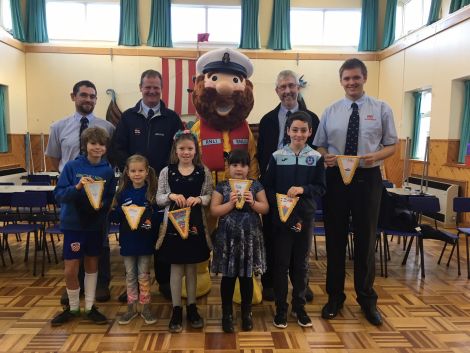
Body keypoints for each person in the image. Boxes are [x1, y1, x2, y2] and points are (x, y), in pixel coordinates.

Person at [313, 58, 398, 326]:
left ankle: (366, 299)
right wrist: (325, 156)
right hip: (336, 179)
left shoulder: (382, 108)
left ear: (364, 78)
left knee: (365, 239)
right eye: (347, 79)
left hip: (368, 177)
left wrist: (377, 156)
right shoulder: (330, 110)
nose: (351, 83)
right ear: (341, 81)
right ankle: (335, 297)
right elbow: (321, 145)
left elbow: (391, 145)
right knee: (335, 239)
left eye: (356, 78)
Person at [111, 69, 183, 301]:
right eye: (147, 87)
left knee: (161, 233)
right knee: (134, 232)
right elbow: (117, 148)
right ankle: (133, 288)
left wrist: (167, 175)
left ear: (161, 89)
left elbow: (178, 151)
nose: (152, 91)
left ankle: (163, 282)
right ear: (140, 87)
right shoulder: (128, 117)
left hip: (162, 188)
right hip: (134, 187)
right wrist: (134, 170)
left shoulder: (172, 118)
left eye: (156, 87)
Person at [45, 80, 115, 304]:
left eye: (92, 96)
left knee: (99, 247)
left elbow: (110, 166)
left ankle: (98, 288)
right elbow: (55, 159)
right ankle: (74, 293)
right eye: (84, 95)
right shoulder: (58, 127)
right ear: (73, 96)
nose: (88, 100)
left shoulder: (108, 127)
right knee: (74, 254)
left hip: (97, 207)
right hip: (73, 205)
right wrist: (74, 182)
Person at [257, 70, 320, 302]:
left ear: (298, 88)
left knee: (300, 241)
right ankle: (272, 281)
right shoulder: (267, 120)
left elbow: (316, 154)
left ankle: (300, 283)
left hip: (303, 191)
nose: (287, 91)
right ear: (276, 91)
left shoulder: (312, 118)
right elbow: (262, 155)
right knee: (274, 237)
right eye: (282, 87)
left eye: (291, 86)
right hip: (276, 189)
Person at [263, 111, 326, 329]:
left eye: (303, 130)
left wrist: (303, 189)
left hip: (305, 218)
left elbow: (321, 187)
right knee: (280, 265)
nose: (298, 134)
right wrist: (279, 200)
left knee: (301, 265)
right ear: (288, 131)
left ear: (310, 132)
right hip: (282, 218)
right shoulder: (277, 156)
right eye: (294, 130)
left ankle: (299, 308)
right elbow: (267, 187)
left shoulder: (316, 158)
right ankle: (281, 310)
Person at [51, 127, 116, 326]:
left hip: (95, 226)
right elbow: (59, 195)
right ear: (85, 144)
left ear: (106, 147)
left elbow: (109, 198)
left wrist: (101, 206)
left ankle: (89, 307)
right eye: (93, 143)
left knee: (92, 265)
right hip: (74, 225)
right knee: (71, 269)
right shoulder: (71, 167)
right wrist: (78, 187)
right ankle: (72, 308)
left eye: (101, 144)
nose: (97, 147)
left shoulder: (107, 170)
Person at [156, 130, 213, 333]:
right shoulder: (167, 171)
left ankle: (192, 307)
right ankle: (176, 309)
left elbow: (208, 196)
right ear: (175, 150)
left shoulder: (202, 171)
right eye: (182, 148)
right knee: (176, 268)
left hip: (195, 225)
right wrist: (171, 195)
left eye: (190, 148)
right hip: (173, 227)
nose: (186, 152)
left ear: (196, 150)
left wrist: (199, 199)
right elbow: (159, 198)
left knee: (191, 268)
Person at [210, 149, 269, 333]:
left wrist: (253, 203)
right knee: (228, 278)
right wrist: (229, 204)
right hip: (227, 238)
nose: (239, 169)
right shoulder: (221, 186)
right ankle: (226, 314)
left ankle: (246, 313)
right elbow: (214, 211)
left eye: (243, 165)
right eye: (234, 165)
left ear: (248, 167)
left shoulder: (256, 185)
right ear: (228, 167)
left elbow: (265, 208)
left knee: (246, 277)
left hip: (249, 237)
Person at [113, 155, 160, 325]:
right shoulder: (122, 193)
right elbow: (115, 216)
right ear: (127, 172)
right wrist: (120, 210)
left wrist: (149, 219)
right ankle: (131, 308)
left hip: (145, 243)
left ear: (147, 172)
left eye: (140, 170)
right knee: (130, 276)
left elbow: (156, 218)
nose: (137, 174)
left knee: (144, 275)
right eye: (133, 171)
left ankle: (145, 307)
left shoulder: (151, 194)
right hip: (128, 242)